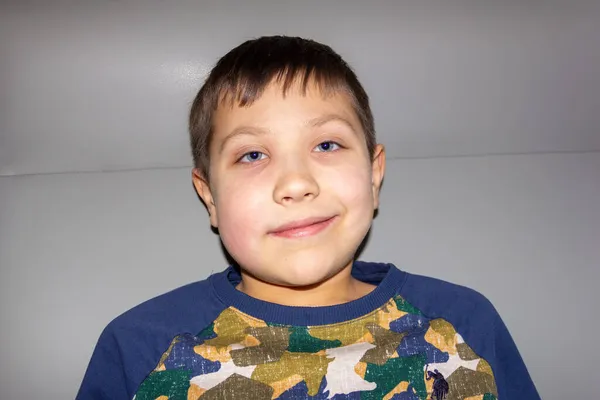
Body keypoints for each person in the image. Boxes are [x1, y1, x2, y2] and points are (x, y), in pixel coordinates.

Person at [76, 36, 540, 399]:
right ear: (210, 197)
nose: (296, 183)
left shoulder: (462, 325)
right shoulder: (140, 346)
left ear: (374, 175)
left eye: (327, 145)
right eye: (253, 154)